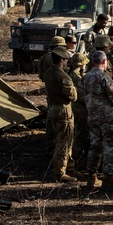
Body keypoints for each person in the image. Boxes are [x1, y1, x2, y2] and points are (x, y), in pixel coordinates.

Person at [81, 50, 113, 192]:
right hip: (106, 117)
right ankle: (108, 179)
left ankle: (91, 177)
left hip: (92, 116)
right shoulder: (104, 77)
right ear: (104, 62)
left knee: (95, 146)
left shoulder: (85, 77)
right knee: (110, 146)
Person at [43, 46, 77, 183]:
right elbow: (73, 96)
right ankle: (60, 172)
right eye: (66, 59)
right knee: (64, 142)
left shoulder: (49, 73)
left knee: (59, 139)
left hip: (52, 108)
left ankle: (68, 167)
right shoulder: (63, 76)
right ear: (62, 60)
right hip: (63, 110)